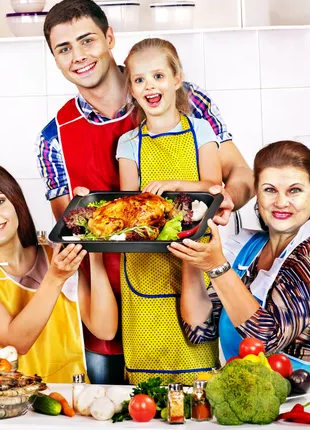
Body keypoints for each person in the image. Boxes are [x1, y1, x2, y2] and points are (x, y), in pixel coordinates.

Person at [37, 0, 254, 385]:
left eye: (87, 41)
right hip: (111, 313)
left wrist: (224, 200)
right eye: (64, 49)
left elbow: (239, 173)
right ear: (55, 59)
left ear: (109, 37)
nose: (79, 56)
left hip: (193, 293)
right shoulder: (54, 137)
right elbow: (74, 234)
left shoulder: (187, 101)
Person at [170, 141, 310, 391]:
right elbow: (198, 330)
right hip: (263, 398)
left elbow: (266, 339)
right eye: (270, 190)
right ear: (257, 194)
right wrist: (193, 238)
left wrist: (216, 267)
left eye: (294, 190)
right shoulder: (247, 251)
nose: (281, 202)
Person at [0, 163, 118, 383]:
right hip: (9, 406)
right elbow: (16, 343)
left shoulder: (55, 255)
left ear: (16, 202)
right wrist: (55, 278)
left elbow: (105, 329)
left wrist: (93, 241)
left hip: (72, 400)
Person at [114, 37, 222, 385]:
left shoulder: (201, 131)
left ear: (177, 78)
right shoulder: (129, 144)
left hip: (193, 256)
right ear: (131, 88)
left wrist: (177, 184)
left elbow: (214, 188)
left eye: (158, 75)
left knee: (199, 374)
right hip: (145, 263)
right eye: (140, 79)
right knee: (149, 386)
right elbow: (129, 209)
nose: (150, 86)